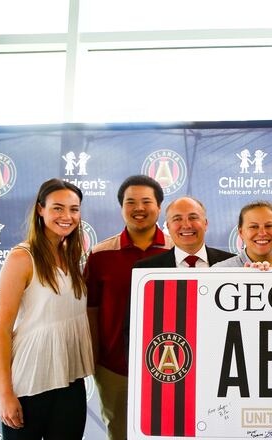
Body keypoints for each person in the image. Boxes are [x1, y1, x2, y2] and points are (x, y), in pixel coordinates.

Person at [0, 179, 94, 438]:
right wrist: (5, 394)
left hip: (70, 380)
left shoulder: (70, 255)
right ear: (40, 209)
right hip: (29, 382)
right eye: (58, 208)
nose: (67, 216)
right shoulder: (21, 258)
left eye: (74, 209)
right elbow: (2, 329)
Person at [85, 175, 172, 440]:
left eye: (146, 201)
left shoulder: (177, 251)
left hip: (171, 365)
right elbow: (91, 312)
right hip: (114, 367)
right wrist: (95, 360)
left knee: (169, 430)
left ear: (159, 206)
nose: (139, 208)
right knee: (119, 431)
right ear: (121, 207)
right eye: (130, 202)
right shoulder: (101, 254)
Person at [134, 196, 233, 269]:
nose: (186, 225)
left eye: (193, 217)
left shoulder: (233, 264)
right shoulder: (146, 268)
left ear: (205, 223)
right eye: (177, 219)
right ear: (168, 226)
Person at [214, 200, 272, 268]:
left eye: (269, 226)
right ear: (241, 233)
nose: (262, 233)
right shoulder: (219, 271)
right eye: (254, 227)